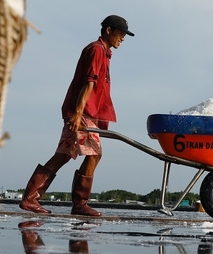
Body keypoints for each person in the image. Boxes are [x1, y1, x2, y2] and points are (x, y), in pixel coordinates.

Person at [19, 14, 134, 217]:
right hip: (82, 113)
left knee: (63, 155)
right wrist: (78, 114)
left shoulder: (103, 52)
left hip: (82, 112)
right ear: (108, 31)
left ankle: (30, 198)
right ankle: (80, 204)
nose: (123, 38)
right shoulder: (97, 50)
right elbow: (88, 82)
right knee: (94, 154)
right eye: (121, 33)